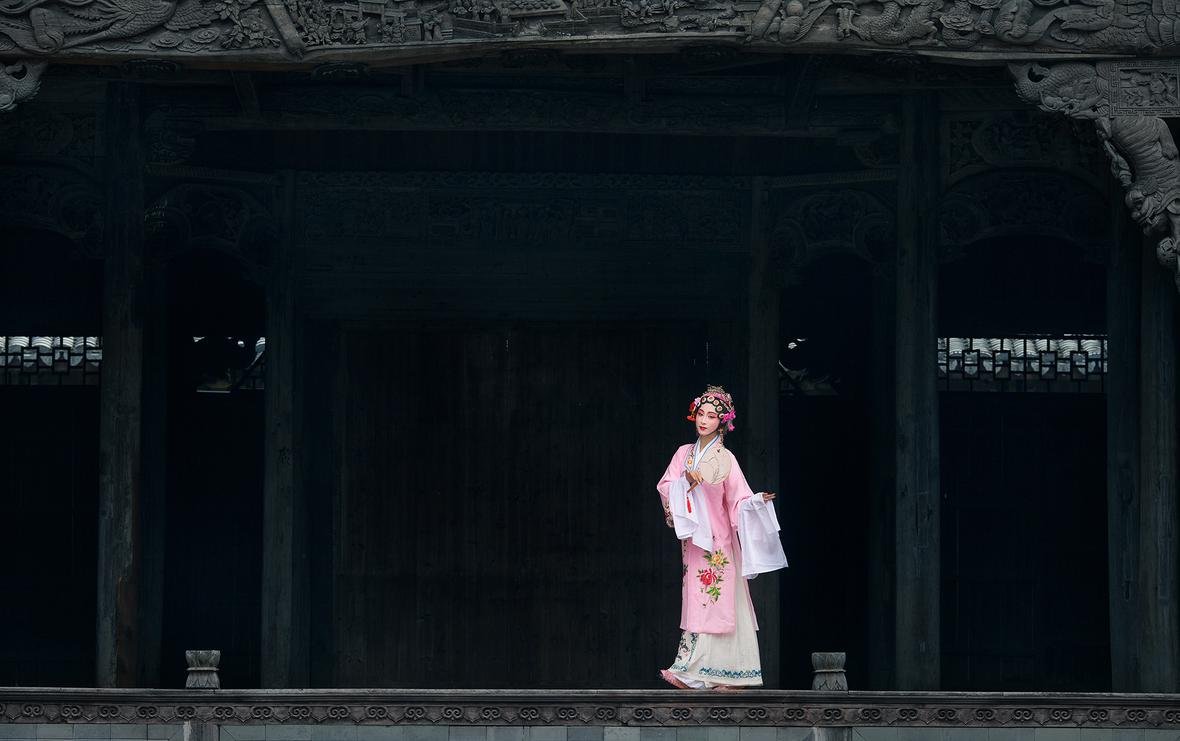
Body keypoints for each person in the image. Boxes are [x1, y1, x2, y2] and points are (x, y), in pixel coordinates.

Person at [656, 385, 788, 690]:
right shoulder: (683, 455)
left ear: (722, 422)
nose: (704, 420)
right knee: (698, 599)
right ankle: (695, 671)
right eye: (701, 414)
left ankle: (726, 672)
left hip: (720, 543)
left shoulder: (726, 459)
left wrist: (755, 502)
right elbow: (665, 486)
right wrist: (684, 482)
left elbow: (738, 500)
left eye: (712, 416)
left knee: (722, 601)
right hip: (694, 541)